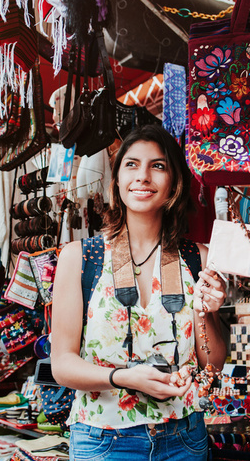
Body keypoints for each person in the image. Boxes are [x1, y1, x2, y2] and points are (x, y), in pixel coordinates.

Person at [52, 124, 227, 461]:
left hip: (185, 439)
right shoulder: (81, 258)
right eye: (131, 164)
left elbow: (213, 365)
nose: (143, 176)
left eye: (157, 166)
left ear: (174, 183)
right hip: (103, 440)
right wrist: (123, 377)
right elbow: (62, 365)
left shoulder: (198, 258)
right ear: (116, 180)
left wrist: (209, 311)